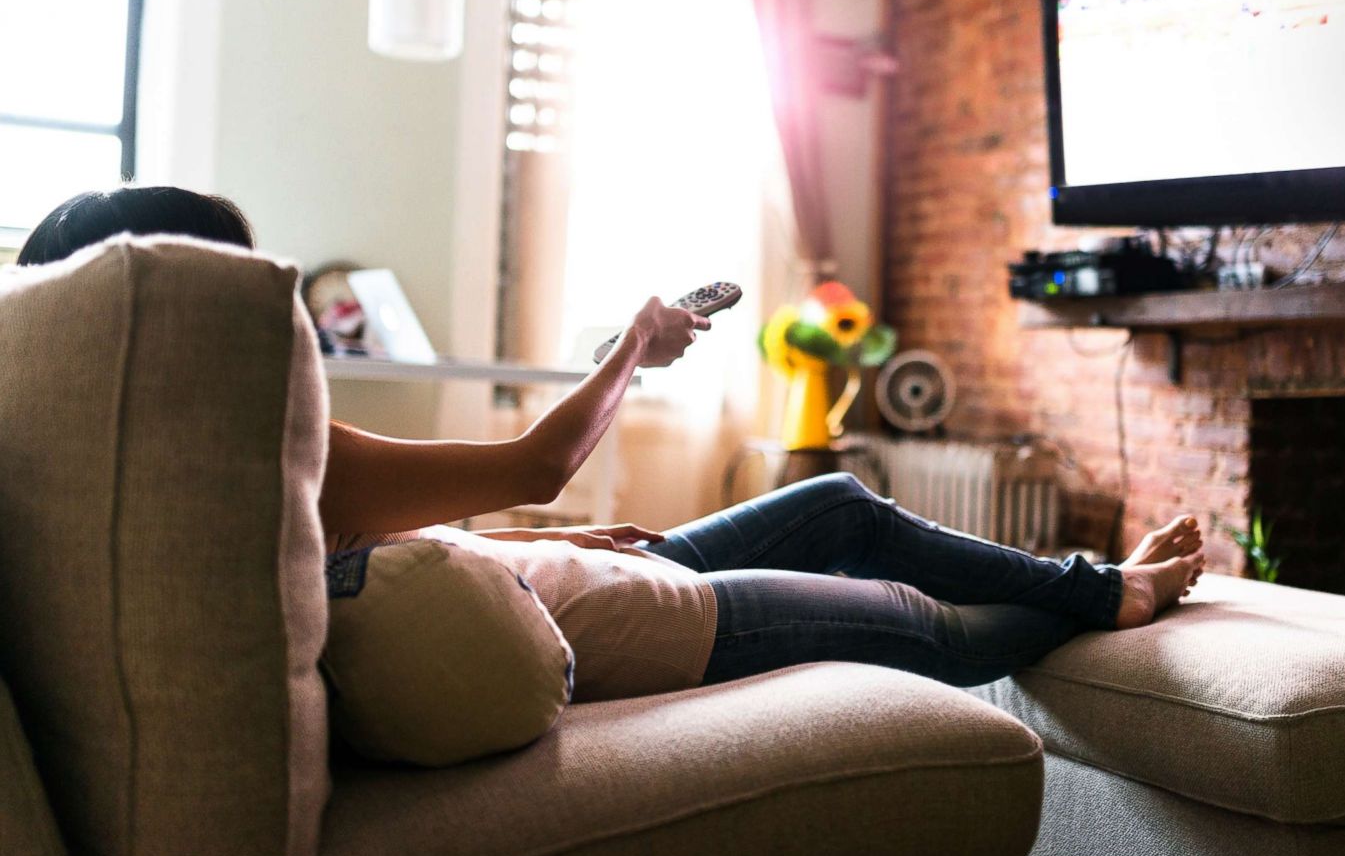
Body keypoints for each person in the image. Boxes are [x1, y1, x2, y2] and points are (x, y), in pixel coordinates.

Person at [18, 186, 1205, 701]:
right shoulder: (260, 465)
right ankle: (1107, 597)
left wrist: (550, 538)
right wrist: (635, 345)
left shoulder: (156, 486)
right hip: (632, 624)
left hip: (574, 575)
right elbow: (534, 460)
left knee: (842, 505)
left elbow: (395, 551)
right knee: (927, 629)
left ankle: (1095, 586)